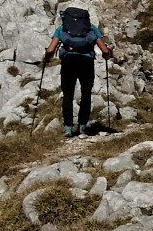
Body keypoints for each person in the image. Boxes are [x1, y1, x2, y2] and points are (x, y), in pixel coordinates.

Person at [43, 7, 113, 136]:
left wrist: (46, 59)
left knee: (67, 95)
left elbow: (50, 50)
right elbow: (105, 51)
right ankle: (82, 127)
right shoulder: (91, 28)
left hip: (68, 62)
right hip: (86, 63)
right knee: (86, 94)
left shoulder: (62, 29)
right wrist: (107, 56)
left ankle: (68, 128)